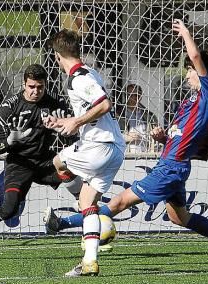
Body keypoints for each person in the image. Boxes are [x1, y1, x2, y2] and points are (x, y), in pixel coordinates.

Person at [44, 19, 208, 265]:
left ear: (202, 72)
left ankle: (62, 223)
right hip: (174, 164)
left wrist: (185, 34)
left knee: (118, 202)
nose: (187, 75)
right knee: (179, 218)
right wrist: (163, 137)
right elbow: (182, 136)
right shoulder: (190, 103)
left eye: (190, 70)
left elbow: (195, 55)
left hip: (171, 168)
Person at [0, 64, 81, 260]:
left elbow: (72, 137)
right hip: (19, 164)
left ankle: (89, 227)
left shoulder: (55, 104)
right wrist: (11, 140)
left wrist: (64, 128)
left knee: (73, 169)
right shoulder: (9, 107)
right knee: (9, 209)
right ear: (23, 85)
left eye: (40, 87)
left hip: (45, 159)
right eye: (31, 87)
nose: (36, 91)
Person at [43, 29, 126, 277]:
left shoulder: (79, 78)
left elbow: (104, 105)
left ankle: (78, 199)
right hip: (114, 148)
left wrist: (75, 123)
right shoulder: (90, 72)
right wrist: (65, 122)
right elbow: (94, 113)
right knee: (90, 204)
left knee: (59, 162)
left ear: (58, 56)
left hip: (98, 146)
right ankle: (90, 262)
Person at [117, 84, 159, 153]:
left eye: (137, 94)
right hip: (125, 154)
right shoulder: (118, 114)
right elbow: (109, 134)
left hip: (146, 154)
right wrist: (125, 137)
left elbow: (156, 137)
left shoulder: (149, 116)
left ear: (140, 96)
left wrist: (153, 150)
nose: (134, 97)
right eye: (131, 94)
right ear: (126, 96)